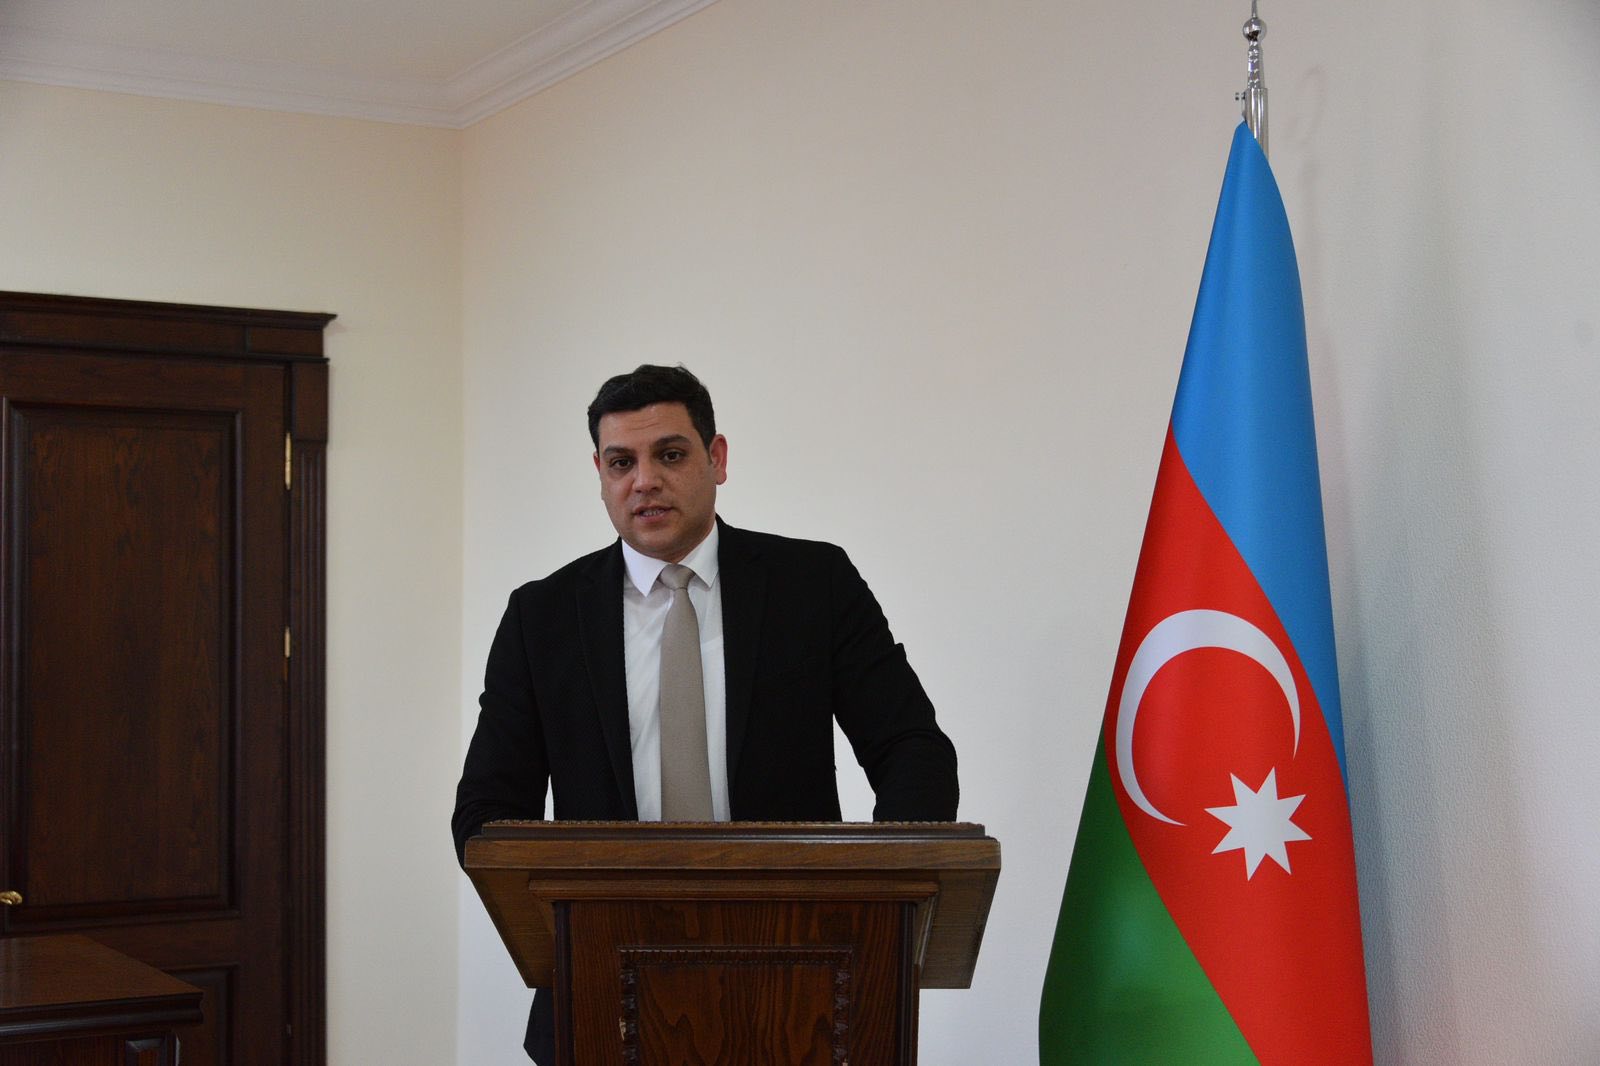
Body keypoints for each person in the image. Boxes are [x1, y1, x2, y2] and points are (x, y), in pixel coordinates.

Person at [452, 364, 959, 1063]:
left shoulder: (812, 585)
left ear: (716, 459)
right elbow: (486, 813)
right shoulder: (543, 616)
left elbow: (912, 750)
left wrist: (875, 905)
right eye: (621, 462)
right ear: (599, 474)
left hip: (805, 985)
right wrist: (559, 925)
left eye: (670, 454)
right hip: (602, 991)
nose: (645, 481)